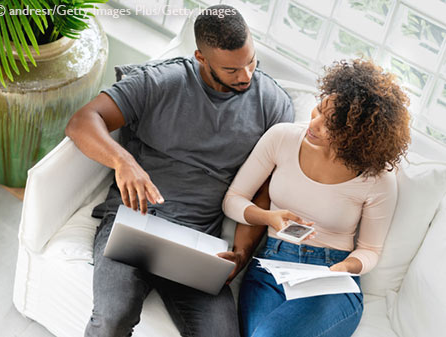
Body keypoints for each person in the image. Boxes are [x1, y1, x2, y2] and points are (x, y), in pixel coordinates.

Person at [65, 4, 294, 337]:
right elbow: (82, 122)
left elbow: (263, 191)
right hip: (135, 224)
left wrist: (242, 253)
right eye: (231, 70)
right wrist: (123, 162)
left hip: (199, 244)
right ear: (201, 58)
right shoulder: (160, 81)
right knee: (113, 318)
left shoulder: (273, 105)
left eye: (251, 61)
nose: (245, 75)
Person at [222, 59, 411, 337]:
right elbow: (234, 199)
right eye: (320, 109)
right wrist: (268, 217)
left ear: (355, 135)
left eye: (330, 125)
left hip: (330, 278)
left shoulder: (378, 180)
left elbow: (370, 250)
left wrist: (344, 267)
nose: (314, 124)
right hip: (271, 268)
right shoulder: (282, 138)